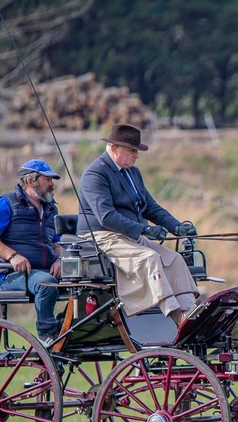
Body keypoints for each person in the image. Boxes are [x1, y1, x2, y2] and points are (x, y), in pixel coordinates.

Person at [77, 123, 199, 326]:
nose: (136, 156)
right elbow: (106, 216)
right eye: (132, 150)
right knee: (149, 258)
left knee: (175, 259)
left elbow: (150, 207)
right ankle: (176, 314)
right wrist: (144, 229)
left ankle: (190, 311)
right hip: (102, 236)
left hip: (130, 236)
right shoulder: (95, 175)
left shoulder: (132, 173)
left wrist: (176, 227)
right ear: (114, 148)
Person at [0, 159, 63, 342]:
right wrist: (13, 256)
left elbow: (57, 243)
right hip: (14, 274)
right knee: (46, 284)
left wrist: (59, 260)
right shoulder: (7, 203)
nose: (52, 184)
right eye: (47, 179)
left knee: (87, 283)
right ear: (30, 181)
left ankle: (67, 327)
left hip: (45, 270)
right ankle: (47, 336)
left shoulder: (51, 209)